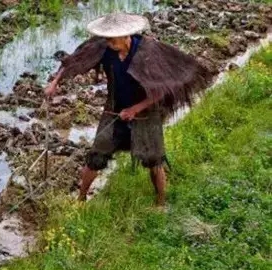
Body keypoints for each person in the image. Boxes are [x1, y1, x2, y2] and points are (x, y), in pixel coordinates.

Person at [45, 13, 212, 206]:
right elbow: (74, 60)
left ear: (126, 36)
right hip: (114, 107)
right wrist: (55, 83)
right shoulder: (103, 47)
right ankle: (80, 200)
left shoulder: (148, 52)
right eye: (107, 38)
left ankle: (160, 202)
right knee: (97, 155)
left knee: (154, 160)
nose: (109, 43)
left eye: (113, 39)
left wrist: (135, 109)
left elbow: (161, 91)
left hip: (146, 113)